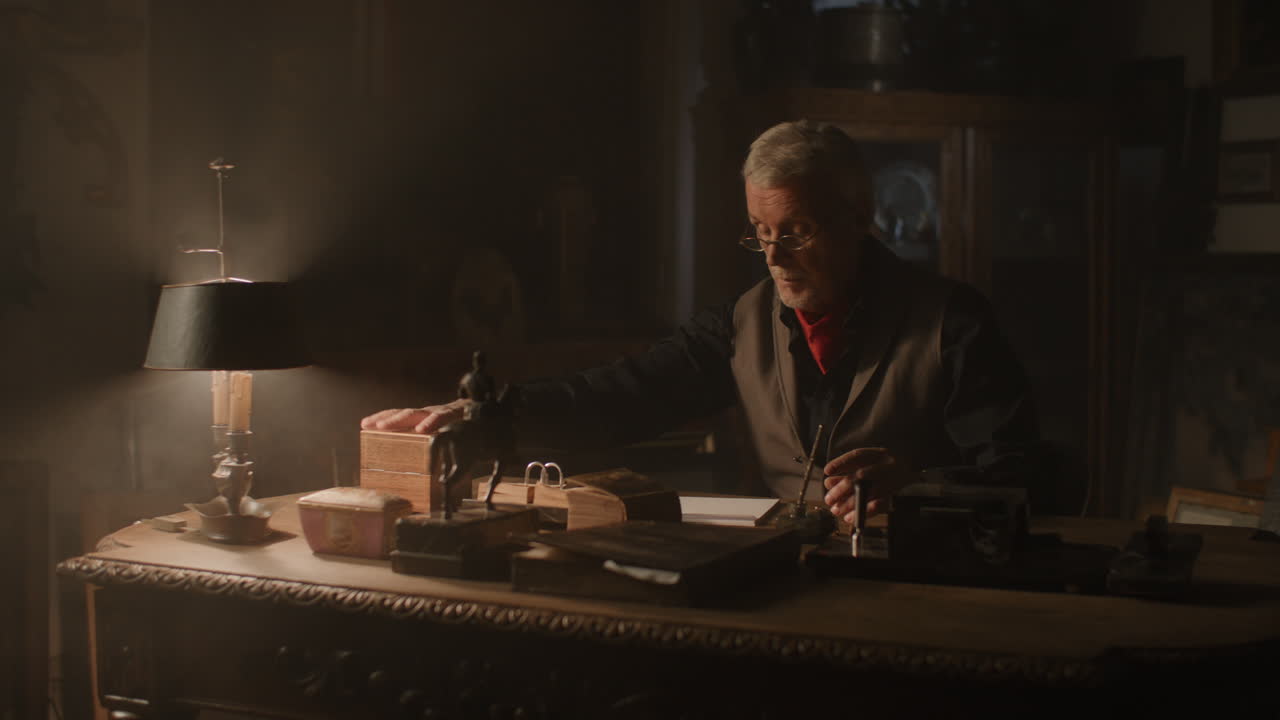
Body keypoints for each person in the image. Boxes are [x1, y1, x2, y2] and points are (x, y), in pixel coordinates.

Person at [362, 120, 1040, 524]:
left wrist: (917, 488)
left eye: (797, 231)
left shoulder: (952, 323)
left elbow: (1027, 479)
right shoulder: (741, 326)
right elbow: (619, 397)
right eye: (760, 232)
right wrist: (489, 417)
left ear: (860, 221)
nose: (773, 257)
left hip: (926, 595)